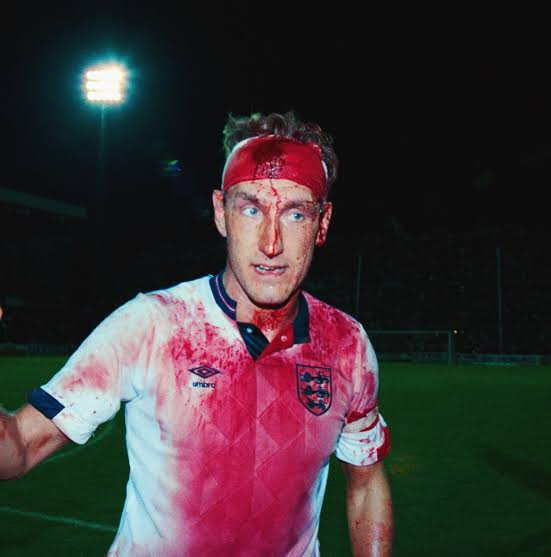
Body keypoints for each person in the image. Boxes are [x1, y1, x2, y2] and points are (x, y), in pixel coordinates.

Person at [0, 111, 393, 556]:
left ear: (322, 224)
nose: (271, 243)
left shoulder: (346, 346)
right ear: (221, 214)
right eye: (250, 209)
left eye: (296, 214)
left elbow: (366, 483)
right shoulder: (153, 325)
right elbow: (20, 447)